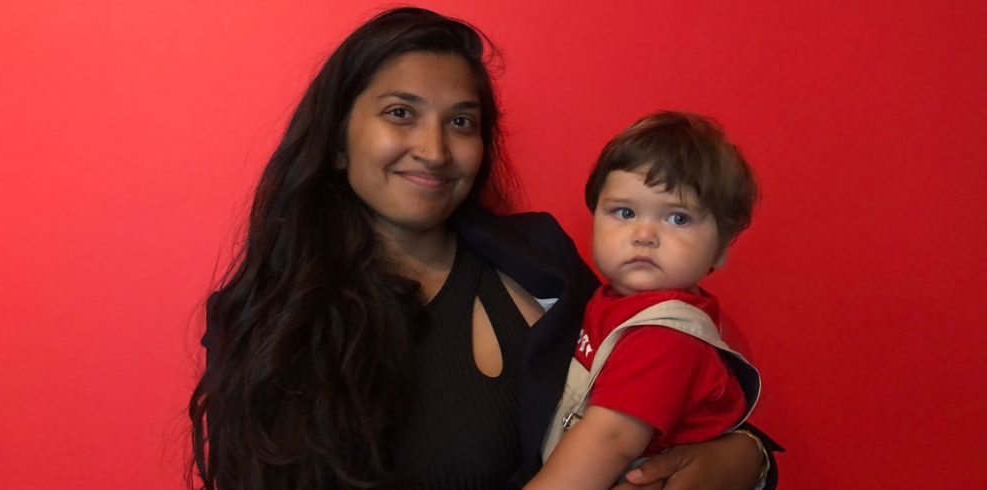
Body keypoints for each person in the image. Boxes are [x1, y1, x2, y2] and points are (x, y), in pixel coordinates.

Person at [188, 7, 781, 490]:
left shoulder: (545, 259)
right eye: (401, 113)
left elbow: (662, 388)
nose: (435, 150)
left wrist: (746, 462)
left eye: (462, 122)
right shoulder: (263, 321)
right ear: (338, 141)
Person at [527, 112, 764, 490]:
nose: (644, 234)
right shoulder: (610, 302)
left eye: (678, 218)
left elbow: (611, 439)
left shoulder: (664, 336)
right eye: (625, 212)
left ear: (721, 247)